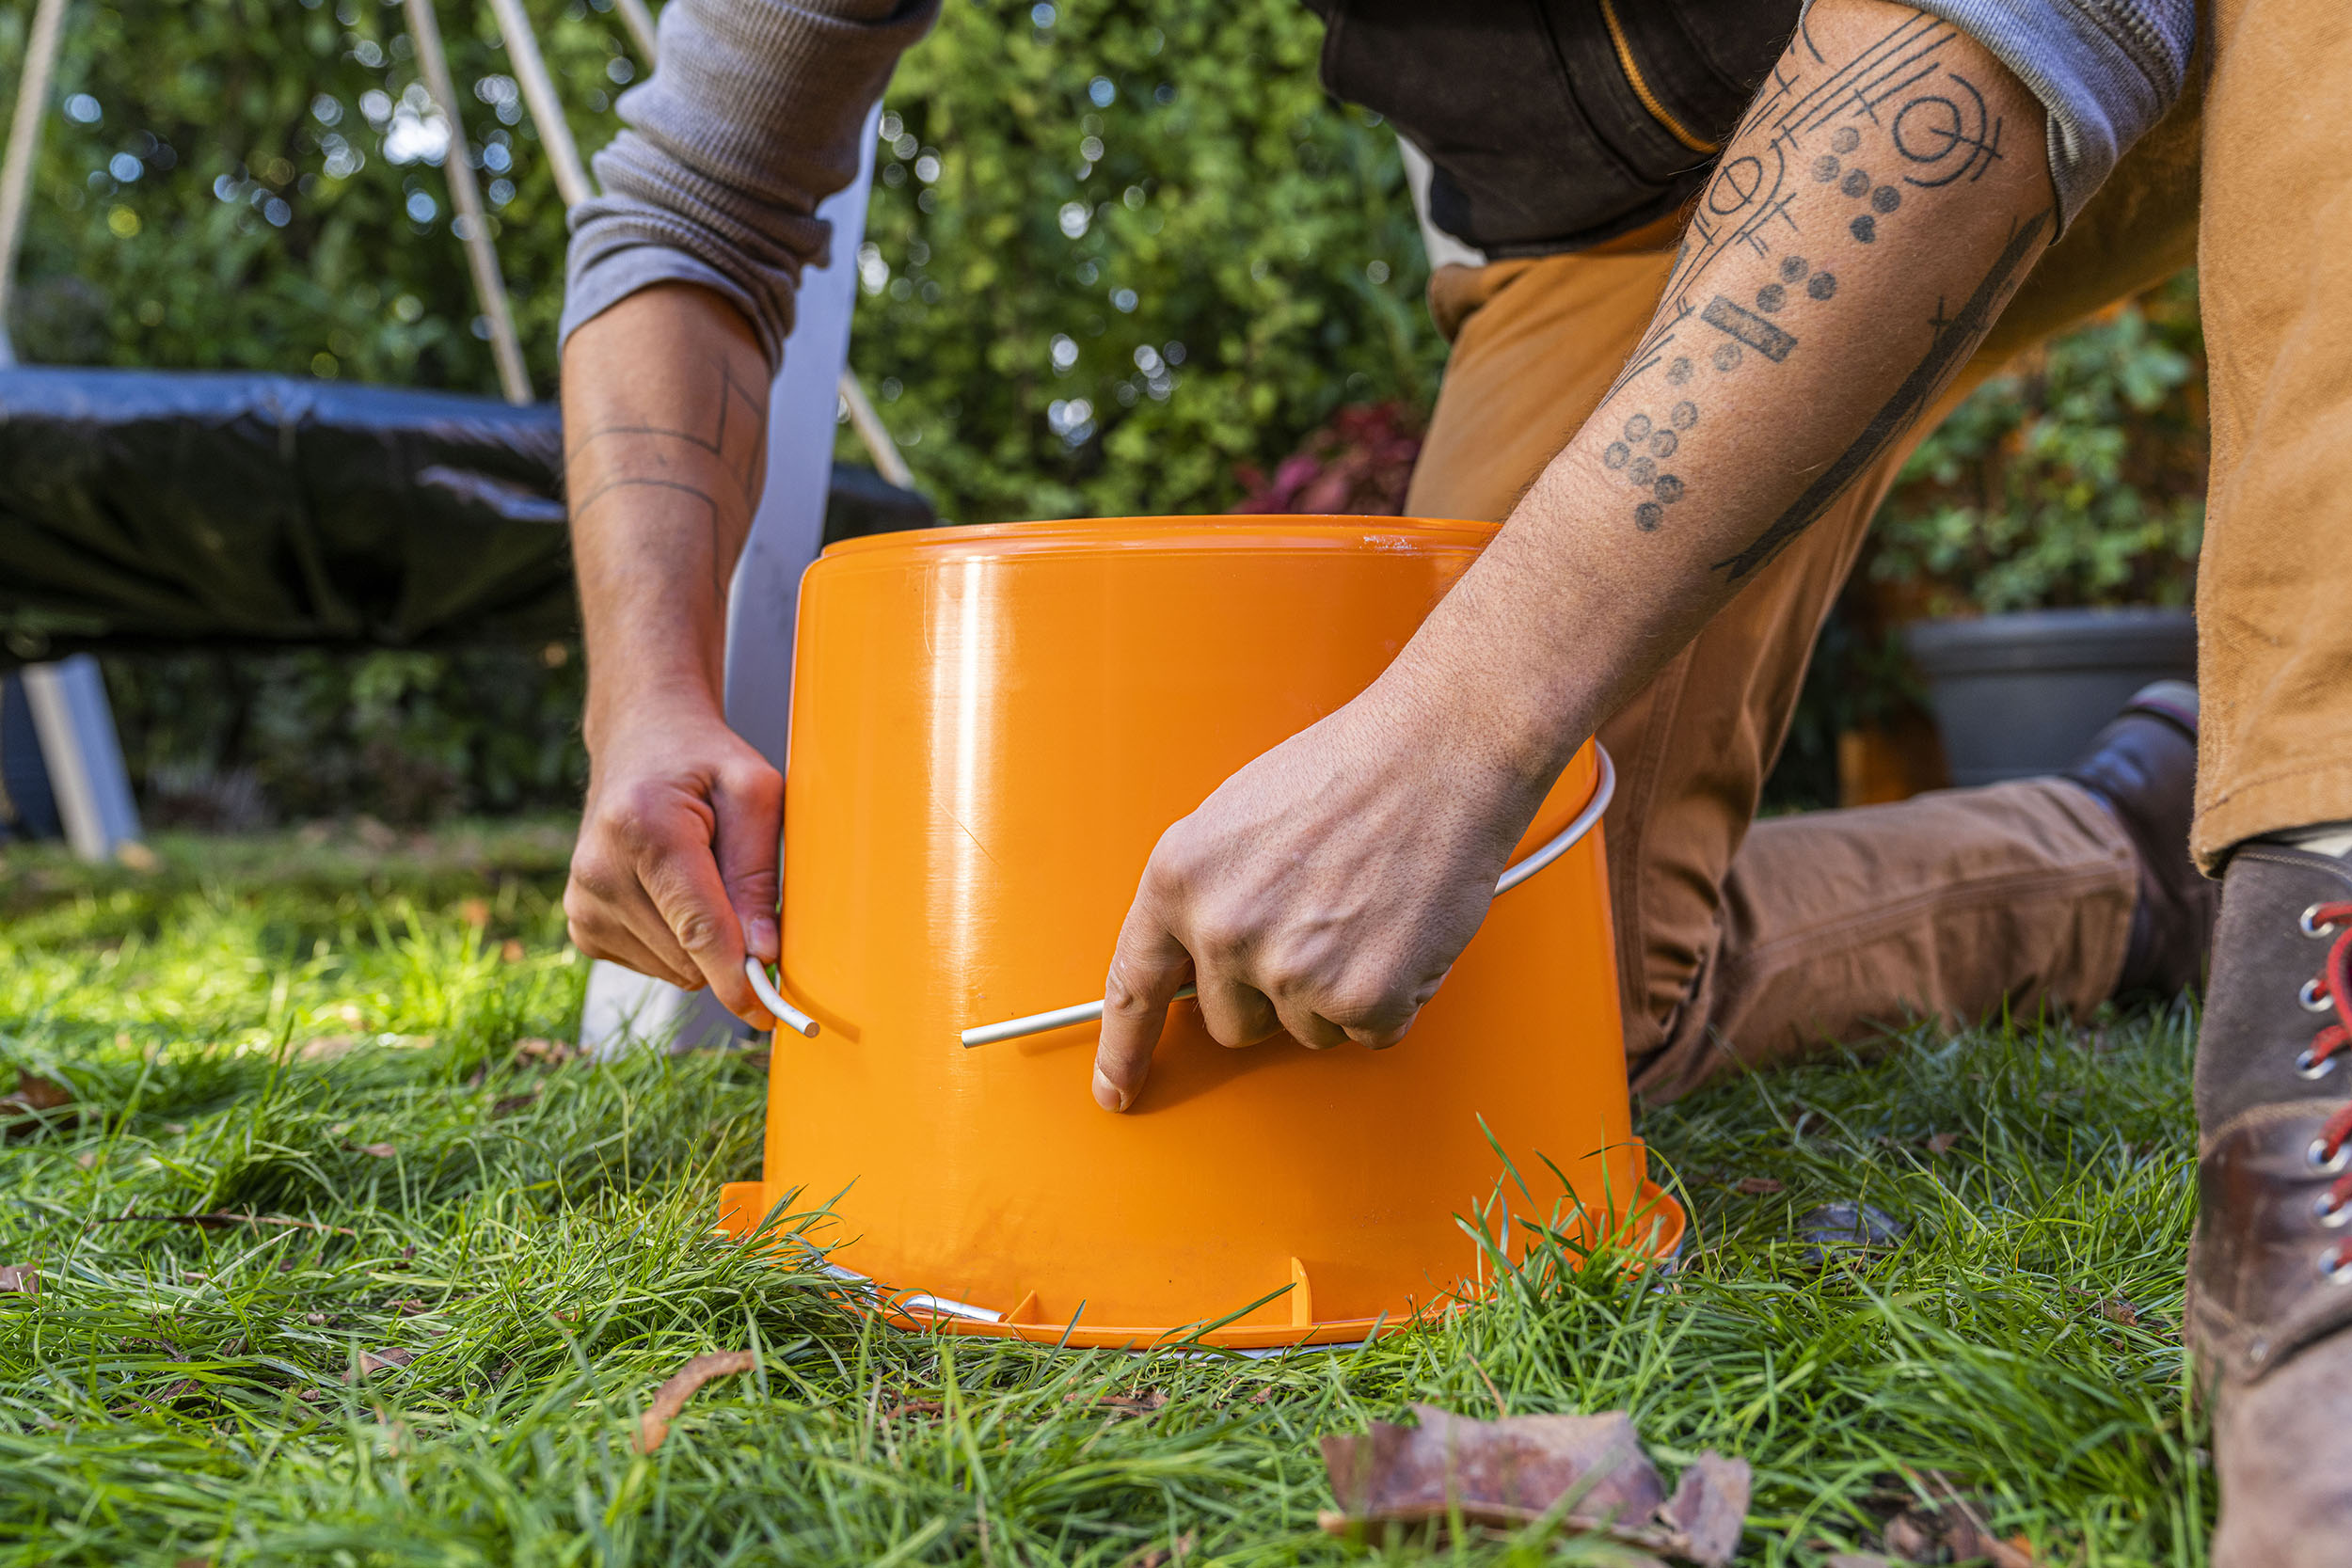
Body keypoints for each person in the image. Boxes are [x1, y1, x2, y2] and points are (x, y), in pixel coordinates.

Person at [553, 0, 2348, 1556]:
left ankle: (2316, 990)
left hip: (2190, 60)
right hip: (1614, 219)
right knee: (1531, 1025)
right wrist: (645, 700)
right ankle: (2130, 854)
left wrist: (1464, 727)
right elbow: (691, 207)